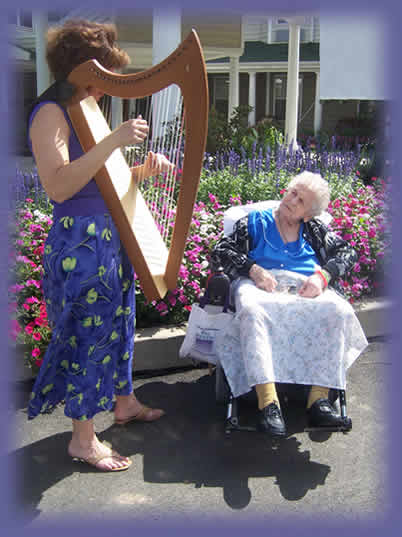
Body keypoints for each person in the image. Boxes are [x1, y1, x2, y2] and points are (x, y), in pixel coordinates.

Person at [26, 19, 175, 471]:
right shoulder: (51, 111)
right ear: (82, 69)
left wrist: (141, 173)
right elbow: (59, 186)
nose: (107, 85)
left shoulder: (87, 108)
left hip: (109, 238)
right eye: (103, 74)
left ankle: (124, 401)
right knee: (86, 335)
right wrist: (114, 140)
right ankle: (82, 439)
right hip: (79, 244)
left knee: (120, 323)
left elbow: (101, 182)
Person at [210, 171, 368, 437]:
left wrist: (322, 276)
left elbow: (347, 251)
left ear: (308, 215)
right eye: (293, 192)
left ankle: (318, 401)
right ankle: (268, 403)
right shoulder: (255, 222)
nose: (293, 200)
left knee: (338, 310)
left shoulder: (314, 230)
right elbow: (221, 251)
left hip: (303, 285)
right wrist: (253, 269)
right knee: (251, 309)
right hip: (259, 283)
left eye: (301, 201)